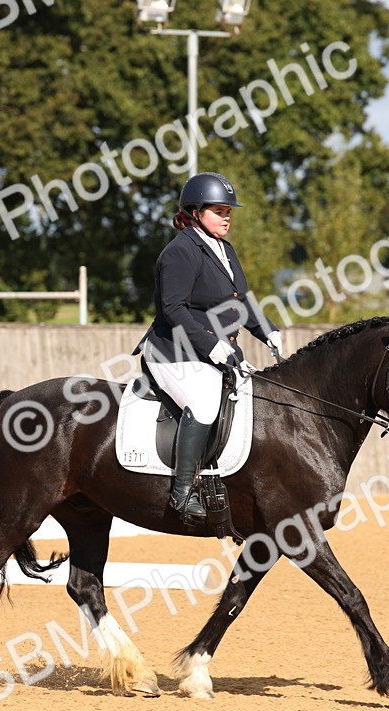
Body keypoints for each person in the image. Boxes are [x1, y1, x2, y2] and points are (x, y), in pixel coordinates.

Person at [135, 172, 282, 520]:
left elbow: (241, 302)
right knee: (203, 402)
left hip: (216, 353)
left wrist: (268, 331)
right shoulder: (180, 252)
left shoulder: (225, 250)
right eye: (219, 211)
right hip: (175, 353)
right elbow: (172, 308)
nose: (227, 217)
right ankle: (182, 493)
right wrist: (210, 344)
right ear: (196, 212)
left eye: (229, 211)